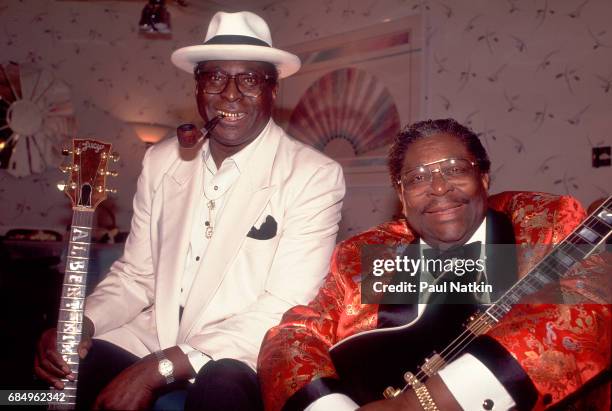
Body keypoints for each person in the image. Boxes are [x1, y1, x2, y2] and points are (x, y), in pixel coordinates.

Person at [34, 11, 345, 411]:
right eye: (215, 77)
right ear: (198, 86)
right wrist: (82, 323)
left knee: (221, 387)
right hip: (153, 335)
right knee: (62, 372)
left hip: (237, 352)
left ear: (273, 89)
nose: (230, 94)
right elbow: (136, 274)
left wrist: (160, 367)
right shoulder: (162, 161)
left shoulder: (313, 176)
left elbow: (282, 307)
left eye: (249, 79)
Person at [258, 119, 611, 411]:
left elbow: (591, 300)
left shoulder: (540, 222)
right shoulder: (366, 254)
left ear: (484, 179)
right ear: (401, 197)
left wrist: (419, 404)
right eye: (417, 178)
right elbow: (294, 335)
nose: (439, 188)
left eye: (455, 170)